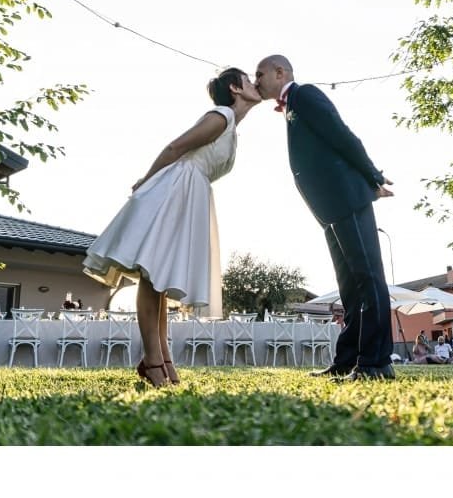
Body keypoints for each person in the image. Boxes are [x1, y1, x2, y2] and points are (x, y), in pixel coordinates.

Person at [83, 68, 262, 387]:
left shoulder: (231, 127)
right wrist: (146, 180)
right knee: (153, 274)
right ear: (235, 88)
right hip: (175, 188)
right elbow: (174, 148)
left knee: (161, 280)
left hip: (193, 192)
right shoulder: (220, 116)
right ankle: (153, 362)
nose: (254, 83)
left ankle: (163, 359)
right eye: (248, 79)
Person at [255, 54, 395, 382]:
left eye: (260, 73)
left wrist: (373, 177)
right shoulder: (292, 104)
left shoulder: (304, 95)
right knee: (349, 287)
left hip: (347, 198)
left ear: (280, 72)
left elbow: (342, 136)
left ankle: (376, 363)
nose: (256, 79)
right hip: (330, 209)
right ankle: (346, 360)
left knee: (368, 279)